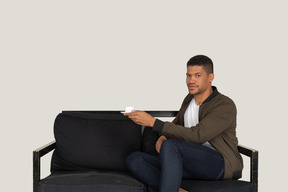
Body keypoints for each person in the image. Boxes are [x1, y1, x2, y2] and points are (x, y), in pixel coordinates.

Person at [124, 55, 243, 192]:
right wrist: (163, 136)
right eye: (188, 75)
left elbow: (197, 135)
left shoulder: (224, 104)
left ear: (210, 77)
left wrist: (153, 122)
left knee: (172, 146)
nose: (191, 80)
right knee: (135, 159)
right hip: (192, 162)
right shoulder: (189, 100)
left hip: (220, 164)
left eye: (197, 75)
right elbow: (177, 123)